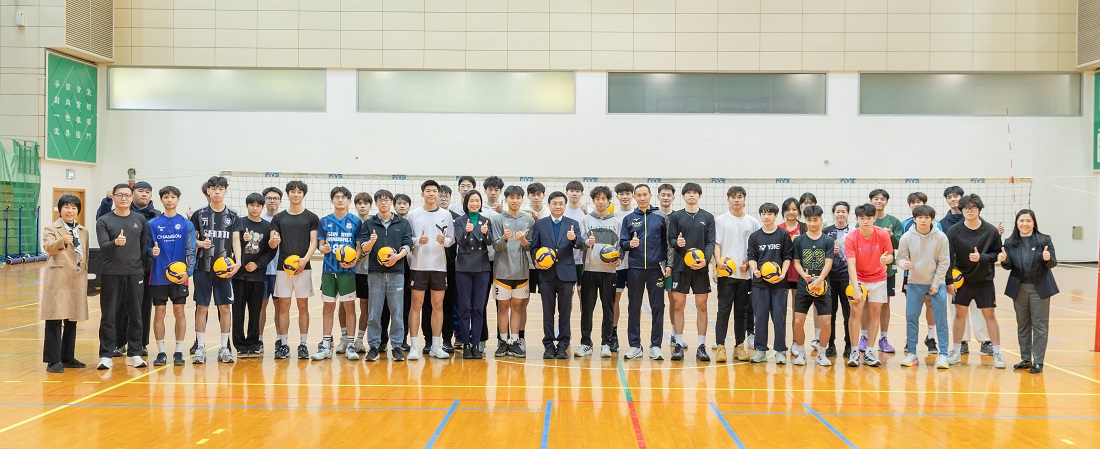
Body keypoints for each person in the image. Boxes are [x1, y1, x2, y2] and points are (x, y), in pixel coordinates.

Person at [95, 183, 152, 370]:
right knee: (108, 315)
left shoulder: (139, 219)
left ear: (131, 197)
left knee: (136, 315)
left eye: (127, 195)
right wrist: (116, 243)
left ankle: (135, 353)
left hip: (135, 273)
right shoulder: (104, 220)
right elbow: (103, 246)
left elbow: (143, 247)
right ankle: (106, 355)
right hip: (111, 273)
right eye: (120, 195)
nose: (124, 198)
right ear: (113, 197)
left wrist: (141, 267)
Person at [946, 194, 1006, 369]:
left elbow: (997, 254)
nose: (969, 210)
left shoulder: (991, 231)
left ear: (979, 209)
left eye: (973, 207)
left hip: (984, 280)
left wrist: (981, 257)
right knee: (959, 314)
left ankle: (997, 352)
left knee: (990, 315)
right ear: (962, 210)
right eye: (966, 208)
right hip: (962, 281)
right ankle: (956, 350)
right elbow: (948, 257)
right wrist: (949, 281)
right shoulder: (954, 231)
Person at [190, 176, 242, 364]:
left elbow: (235, 240)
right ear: (208, 191)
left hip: (224, 269)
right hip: (202, 268)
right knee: (202, 307)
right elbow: (192, 240)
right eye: (214, 188)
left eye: (221, 188)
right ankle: (200, 348)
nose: (217, 191)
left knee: (225, 308)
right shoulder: (199, 214)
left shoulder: (233, 215)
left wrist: (238, 262)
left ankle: (224, 348)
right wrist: (199, 243)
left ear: (225, 191)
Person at [998, 209, 1058, 374]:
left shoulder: (1044, 240)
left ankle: (1038, 361)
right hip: (1019, 288)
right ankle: (1026, 359)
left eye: (1028, 221)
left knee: (1039, 325)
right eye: (1021, 221)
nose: (1024, 224)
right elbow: (1008, 265)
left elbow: (1053, 262)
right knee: (1023, 325)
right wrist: (1004, 261)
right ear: (1017, 223)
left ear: (1034, 223)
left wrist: (1047, 259)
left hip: (1040, 288)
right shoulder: (1010, 242)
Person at [358, 190, 414, 361]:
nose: (384, 202)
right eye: (380, 200)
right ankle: (374, 346)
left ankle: (396, 346)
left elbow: (408, 244)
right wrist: (371, 242)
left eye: (387, 200)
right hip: (375, 273)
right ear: (376, 203)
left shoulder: (403, 223)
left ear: (391, 202)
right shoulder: (369, 223)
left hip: (397, 272)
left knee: (397, 311)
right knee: (374, 312)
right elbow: (364, 248)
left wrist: (398, 257)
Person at [894, 205, 951, 369]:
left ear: (932, 219)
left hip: (936, 283)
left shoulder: (941, 237)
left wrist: (936, 283)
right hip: (914, 283)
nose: (923, 220)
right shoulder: (906, 237)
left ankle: (943, 355)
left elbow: (944, 262)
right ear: (914, 219)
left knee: (941, 320)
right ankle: (912, 354)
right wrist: (904, 264)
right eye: (920, 217)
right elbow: (899, 259)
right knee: (911, 318)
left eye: (927, 217)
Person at [666, 182, 716, 362]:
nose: (691, 195)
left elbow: (711, 242)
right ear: (683, 196)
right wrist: (676, 243)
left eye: (695, 193)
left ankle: (701, 346)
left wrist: (706, 260)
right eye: (688, 193)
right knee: (678, 305)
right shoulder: (676, 217)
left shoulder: (708, 217)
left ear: (699, 196)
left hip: (700, 268)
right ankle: (678, 344)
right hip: (681, 267)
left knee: (702, 306)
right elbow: (671, 239)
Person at [311, 187, 362, 361]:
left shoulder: (356, 221)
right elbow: (320, 245)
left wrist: (354, 261)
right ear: (332, 200)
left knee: (349, 307)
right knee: (328, 307)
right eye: (337, 197)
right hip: (329, 270)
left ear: (349, 201)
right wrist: (322, 248)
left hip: (348, 271)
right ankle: (326, 346)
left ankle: (350, 345)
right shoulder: (324, 221)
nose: (340, 200)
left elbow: (358, 247)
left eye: (343, 197)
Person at [270, 180, 320, 360]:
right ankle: (283, 344)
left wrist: (305, 259)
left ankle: (303, 345)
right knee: (283, 306)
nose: (296, 194)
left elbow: (314, 241)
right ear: (288, 194)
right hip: (283, 269)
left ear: (303, 195)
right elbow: (272, 241)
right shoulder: (278, 218)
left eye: (299, 192)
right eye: (293, 191)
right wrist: (273, 241)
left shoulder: (311, 217)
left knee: (303, 306)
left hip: (303, 267)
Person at [530, 191, 582, 359]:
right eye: (555, 203)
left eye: (561, 204)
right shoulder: (540, 224)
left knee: (565, 311)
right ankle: (548, 345)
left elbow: (581, 244)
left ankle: (563, 344)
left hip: (566, 274)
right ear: (549, 205)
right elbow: (534, 247)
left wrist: (574, 239)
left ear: (565, 206)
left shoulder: (573, 224)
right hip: (546, 274)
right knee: (548, 311)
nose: (558, 206)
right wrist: (537, 261)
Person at [940, 186, 992, 356]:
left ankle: (985, 341)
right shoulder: (943, 224)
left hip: (978, 272)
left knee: (979, 308)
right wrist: (948, 277)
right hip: (956, 273)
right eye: (949, 197)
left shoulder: (978, 221)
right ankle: (962, 342)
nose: (953, 199)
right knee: (957, 310)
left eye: (956, 196)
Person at [620, 184, 669, 361]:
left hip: (656, 269)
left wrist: (668, 264)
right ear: (634, 197)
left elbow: (667, 243)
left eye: (645, 195)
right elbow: (622, 242)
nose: (642, 198)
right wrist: (629, 244)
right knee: (634, 307)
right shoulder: (628, 219)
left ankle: (655, 346)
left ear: (650, 196)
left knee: (658, 308)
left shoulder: (661, 216)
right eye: (638, 195)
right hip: (635, 268)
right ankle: (635, 346)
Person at [148, 186, 196, 366]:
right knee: (159, 313)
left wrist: (188, 272)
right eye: (166, 197)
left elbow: (191, 250)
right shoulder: (152, 224)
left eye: (173, 197)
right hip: (158, 276)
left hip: (179, 277)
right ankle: (161, 352)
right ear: (161, 200)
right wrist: (151, 251)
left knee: (179, 311)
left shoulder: (186, 224)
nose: (170, 200)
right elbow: (146, 247)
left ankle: (178, 351)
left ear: (178, 199)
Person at [41, 195, 90, 373]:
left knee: (72, 318)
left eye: (74, 208)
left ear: (78, 211)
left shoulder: (83, 230)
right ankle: (52, 360)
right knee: (54, 318)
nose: (70, 211)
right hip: (58, 278)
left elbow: (85, 254)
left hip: (77, 278)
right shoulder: (51, 228)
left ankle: (67, 357)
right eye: (66, 207)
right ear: (60, 209)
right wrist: (62, 241)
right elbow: (48, 247)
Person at [406, 180, 455, 360]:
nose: (432, 193)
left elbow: (451, 239)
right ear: (422, 194)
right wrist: (418, 241)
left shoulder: (446, 215)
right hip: (419, 266)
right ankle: (414, 347)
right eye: (428, 191)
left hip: (439, 266)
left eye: (434, 191)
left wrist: (445, 242)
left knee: (438, 305)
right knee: (416, 305)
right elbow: (408, 239)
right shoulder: (413, 215)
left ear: (438, 194)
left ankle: (436, 346)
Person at [713, 186, 759, 363]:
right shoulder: (720, 220)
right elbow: (717, 244)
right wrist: (718, 263)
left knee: (742, 312)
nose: (736, 200)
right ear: (728, 200)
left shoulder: (752, 222)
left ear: (744, 200)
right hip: (726, 274)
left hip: (745, 275)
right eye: (733, 197)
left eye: (740, 197)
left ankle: (739, 347)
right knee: (723, 310)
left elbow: (756, 248)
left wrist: (749, 263)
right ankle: (720, 347)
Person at [576, 186, 622, 358]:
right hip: (589, 270)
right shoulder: (585, 220)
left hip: (609, 272)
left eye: (604, 199)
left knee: (608, 309)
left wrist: (619, 258)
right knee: (587, 309)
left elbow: (621, 246)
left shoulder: (616, 222)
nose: (601, 202)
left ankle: (606, 343)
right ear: (593, 201)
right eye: (597, 199)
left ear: (609, 201)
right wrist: (587, 242)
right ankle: (586, 343)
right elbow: (579, 244)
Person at [843, 203, 892, 368]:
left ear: (874, 218)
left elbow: (890, 256)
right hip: (859, 279)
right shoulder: (851, 238)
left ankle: (870, 351)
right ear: (856, 219)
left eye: (869, 218)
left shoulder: (883, 234)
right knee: (855, 313)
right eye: (862, 218)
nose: (865, 221)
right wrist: (856, 287)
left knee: (875, 313)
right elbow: (851, 265)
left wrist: (887, 259)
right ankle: (854, 351)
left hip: (878, 278)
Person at [746, 202, 793, 364]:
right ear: (760, 215)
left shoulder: (783, 235)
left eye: (770, 214)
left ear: (776, 216)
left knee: (779, 318)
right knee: (760, 318)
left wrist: (783, 273)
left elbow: (787, 257)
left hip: (779, 284)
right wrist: (754, 269)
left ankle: (780, 350)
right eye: (764, 214)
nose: (766, 217)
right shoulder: (755, 237)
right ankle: (760, 351)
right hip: (760, 284)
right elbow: (752, 257)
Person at [491, 186, 534, 358]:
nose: (515, 200)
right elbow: (496, 246)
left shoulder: (529, 220)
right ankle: (503, 342)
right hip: (502, 271)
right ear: (506, 199)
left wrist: (523, 241)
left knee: (517, 307)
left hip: (522, 272)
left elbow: (530, 247)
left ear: (522, 199)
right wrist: (505, 238)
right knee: (502, 308)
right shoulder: (497, 219)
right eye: (512, 197)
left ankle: (515, 341)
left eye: (518, 197)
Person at [233, 193, 276, 359]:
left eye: (258, 205)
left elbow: (271, 252)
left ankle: (253, 343)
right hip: (239, 276)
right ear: (247, 206)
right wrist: (243, 241)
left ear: (262, 207)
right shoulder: (239, 223)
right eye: (252, 205)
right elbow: (232, 246)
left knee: (255, 311)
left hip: (258, 276)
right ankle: (239, 345)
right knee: (238, 311)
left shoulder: (267, 226)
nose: (255, 208)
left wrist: (257, 264)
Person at [454, 189, 495, 359]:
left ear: (480, 203)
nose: (474, 203)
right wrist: (466, 231)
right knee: (465, 308)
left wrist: (485, 234)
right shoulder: (460, 220)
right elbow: (460, 242)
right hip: (463, 268)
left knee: (478, 308)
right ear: (466, 203)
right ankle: (466, 344)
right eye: (471, 201)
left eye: (477, 201)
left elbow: (490, 242)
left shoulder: (486, 221)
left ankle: (476, 344)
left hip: (482, 268)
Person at [899, 192, 943, 353]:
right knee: (912, 309)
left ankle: (931, 337)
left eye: (919, 202)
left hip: (931, 274)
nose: (916, 204)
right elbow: (901, 247)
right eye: (913, 202)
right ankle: (910, 339)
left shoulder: (937, 225)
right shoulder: (904, 224)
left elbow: (941, 249)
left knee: (930, 304)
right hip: (911, 275)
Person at [790, 205, 833, 366]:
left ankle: (822, 353)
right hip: (804, 286)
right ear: (805, 221)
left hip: (823, 286)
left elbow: (828, 262)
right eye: (809, 220)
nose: (812, 223)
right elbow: (796, 262)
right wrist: (804, 275)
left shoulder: (827, 240)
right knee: (798, 321)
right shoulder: (799, 240)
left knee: (826, 322)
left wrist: (820, 279)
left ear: (821, 220)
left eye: (815, 220)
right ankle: (801, 353)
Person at [867, 189, 902, 354]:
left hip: (887, 271)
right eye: (876, 198)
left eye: (882, 199)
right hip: (866, 269)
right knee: (865, 304)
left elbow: (899, 244)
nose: (879, 201)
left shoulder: (893, 221)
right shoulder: (866, 219)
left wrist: (890, 235)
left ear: (886, 201)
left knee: (885, 303)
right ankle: (864, 337)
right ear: (871, 201)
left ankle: (884, 338)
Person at [823, 202, 854, 358]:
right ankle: (831, 345)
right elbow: (820, 252)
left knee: (848, 313)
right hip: (830, 277)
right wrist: (829, 251)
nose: (840, 214)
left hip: (847, 277)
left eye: (843, 211)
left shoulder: (853, 231)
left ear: (848, 213)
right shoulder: (826, 232)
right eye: (837, 211)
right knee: (830, 313)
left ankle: (849, 345)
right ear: (833, 213)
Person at [257, 187, 283, 355]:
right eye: (269, 198)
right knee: (260, 306)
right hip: (261, 271)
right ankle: (258, 340)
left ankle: (280, 339)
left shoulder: (284, 220)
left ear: (280, 201)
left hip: (280, 271)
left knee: (280, 307)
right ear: (264, 201)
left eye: (275, 198)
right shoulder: (259, 220)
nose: (272, 201)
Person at [610, 182, 634, 352]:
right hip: (617, 265)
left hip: (634, 265)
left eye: (627, 193)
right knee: (614, 300)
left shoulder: (638, 215)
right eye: (621, 194)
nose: (625, 197)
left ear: (632, 195)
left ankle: (634, 338)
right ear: (617, 196)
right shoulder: (613, 217)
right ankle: (613, 334)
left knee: (634, 301)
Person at [348, 191, 374, 354]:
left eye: (365, 203)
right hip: (351, 271)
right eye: (359, 203)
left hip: (368, 272)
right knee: (346, 305)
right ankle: (346, 339)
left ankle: (359, 339)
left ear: (370, 205)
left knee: (365, 306)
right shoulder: (351, 222)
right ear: (355, 205)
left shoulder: (374, 223)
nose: (362, 206)